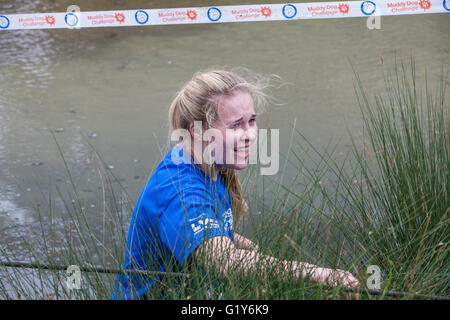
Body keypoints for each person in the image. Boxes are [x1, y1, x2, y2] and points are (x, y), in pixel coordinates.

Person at [111, 69, 359, 300]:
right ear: (197, 131)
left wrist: (233, 238)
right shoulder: (180, 191)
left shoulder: (200, 159)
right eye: (235, 125)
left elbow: (189, 227)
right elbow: (226, 262)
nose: (251, 134)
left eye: (251, 120)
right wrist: (319, 275)